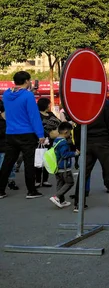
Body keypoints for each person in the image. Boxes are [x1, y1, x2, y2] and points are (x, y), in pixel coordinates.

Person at [73, 99, 109, 210]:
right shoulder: (108, 105)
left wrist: (79, 144)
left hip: (87, 141)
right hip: (103, 141)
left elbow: (78, 126)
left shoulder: (84, 103)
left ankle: (79, 203)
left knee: (84, 173)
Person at [0, 71, 46, 199]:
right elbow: (34, 116)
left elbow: (11, 94)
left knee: (8, 163)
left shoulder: (7, 94)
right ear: (26, 81)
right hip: (27, 134)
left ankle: (1, 190)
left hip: (10, 133)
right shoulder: (28, 96)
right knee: (29, 163)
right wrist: (40, 134)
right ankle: (31, 191)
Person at [49, 122, 79, 208]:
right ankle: (57, 197)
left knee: (60, 183)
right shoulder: (63, 142)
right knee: (70, 182)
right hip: (64, 167)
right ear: (66, 132)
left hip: (57, 166)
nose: (70, 135)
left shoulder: (56, 140)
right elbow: (64, 154)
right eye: (69, 133)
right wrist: (75, 153)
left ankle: (61, 201)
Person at [37, 97, 61, 188]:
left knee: (48, 159)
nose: (49, 105)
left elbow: (58, 122)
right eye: (48, 104)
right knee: (39, 160)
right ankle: (38, 180)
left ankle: (45, 180)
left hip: (50, 140)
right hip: (40, 140)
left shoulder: (50, 114)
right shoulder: (37, 114)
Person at [0, 98, 18, 191]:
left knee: (9, 166)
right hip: (5, 145)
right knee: (6, 166)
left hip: (6, 146)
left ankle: (11, 182)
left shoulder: (7, 119)